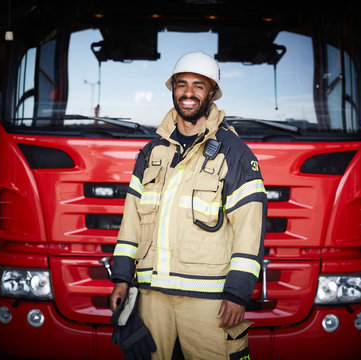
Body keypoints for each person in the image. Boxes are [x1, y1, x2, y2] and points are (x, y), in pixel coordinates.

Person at [110, 50, 267, 359]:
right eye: (182, 85)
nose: (188, 93)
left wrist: (238, 293)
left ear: (211, 94)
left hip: (209, 302)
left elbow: (250, 229)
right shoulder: (151, 153)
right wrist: (121, 278)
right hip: (153, 298)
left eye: (199, 85)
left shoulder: (234, 153)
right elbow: (130, 222)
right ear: (173, 90)